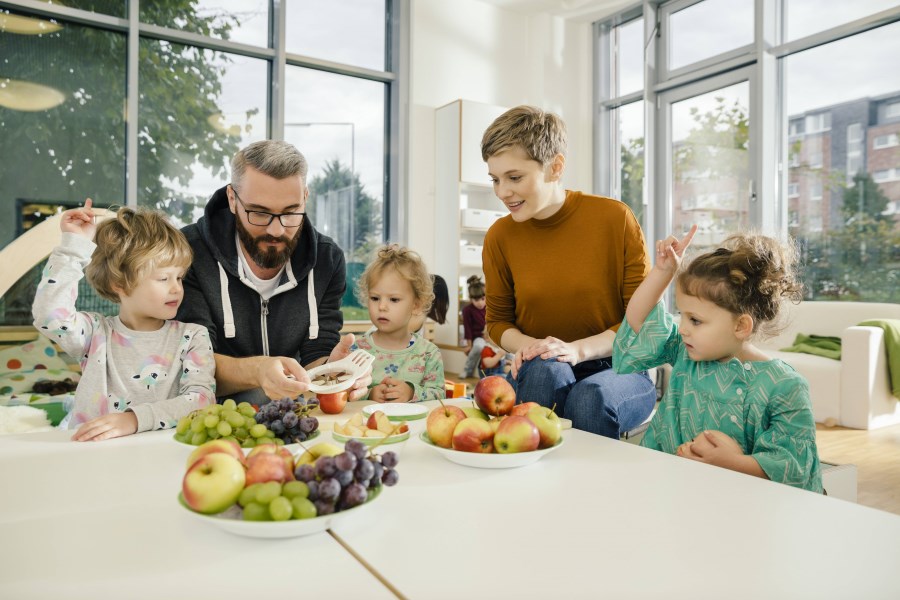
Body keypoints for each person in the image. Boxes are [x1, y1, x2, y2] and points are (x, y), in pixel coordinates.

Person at [481, 105, 656, 438]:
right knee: (545, 371)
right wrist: (536, 348)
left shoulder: (615, 219)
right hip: (541, 365)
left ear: (555, 167)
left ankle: (591, 491)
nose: (503, 191)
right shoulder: (500, 237)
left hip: (620, 367)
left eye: (515, 177)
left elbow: (641, 321)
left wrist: (577, 350)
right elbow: (498, 322)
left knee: (589, 399)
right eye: (496, 179)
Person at [613, 226, 823, 492]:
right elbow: (639, 320)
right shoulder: (685, 353)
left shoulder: (784, 386)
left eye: (696, 320)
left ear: (740, 326)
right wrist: (663, 271)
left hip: (739, 507)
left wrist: (731, 462)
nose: (683, 328)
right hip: (669, 489)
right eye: (683, 315)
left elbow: (793, 468)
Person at [176, 140, 371, 405]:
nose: (277, 231)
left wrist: (333, 369)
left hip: (293, 413)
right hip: (210, 410)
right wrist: (258, 372)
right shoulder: (187, 253)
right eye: (259, 213)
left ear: (305, 198)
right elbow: (190, 363)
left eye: (291, 213)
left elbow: (318, 352)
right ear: (233, 199)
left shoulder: (328, 259)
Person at [32, 200, 216, 441]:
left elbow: (202, 400)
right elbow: (49, 315)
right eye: (163, 279)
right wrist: (74, 246)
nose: (176, 289)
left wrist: (134, 419)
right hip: (90, 454)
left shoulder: (192, 336)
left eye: (179, 277)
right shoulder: (94, 333)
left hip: (158, 455)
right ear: (118, 284)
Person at [353, 244, 445, 403]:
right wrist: (369, 394)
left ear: (416, 304)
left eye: (394, 299)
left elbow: (439, 395)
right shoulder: (356, 350)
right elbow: (344, 393)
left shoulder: (429, 354)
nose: (381, 306)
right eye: (375, 298)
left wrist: (411, 393)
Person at [459, 275, 486, 379]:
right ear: (471, 299)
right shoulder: (467, 310)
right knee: (479, 346)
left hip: (491, 337)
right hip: (478, 338)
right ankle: (467, 370)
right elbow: (467, 328)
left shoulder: (490, 307)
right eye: (476, 300)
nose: (480, 303)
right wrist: (469, 345)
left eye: (483, 299)